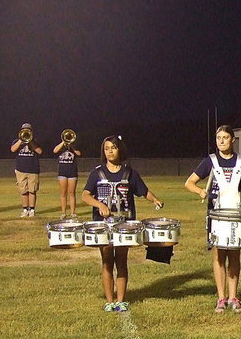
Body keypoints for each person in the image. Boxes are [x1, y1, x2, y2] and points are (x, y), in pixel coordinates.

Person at [184, 126, 241, 313]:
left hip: (236, 213)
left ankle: (234, 296)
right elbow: (189, 182)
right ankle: (221, 298)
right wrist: (200, 191)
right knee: (218, 254)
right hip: (216, 214)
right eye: (219, 138)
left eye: (225, 137)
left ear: (232, 140)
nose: (221, 141)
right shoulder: (210, 161)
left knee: (234, 254)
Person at [82, 135, 163, 312]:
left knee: (121, 261)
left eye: (113, 147)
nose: (110, 151)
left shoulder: (129, 173)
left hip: (124, 225)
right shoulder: (97, 173)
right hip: (103, 225)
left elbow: (143, 191)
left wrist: (155, 200)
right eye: (107, 148)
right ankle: (109, 301)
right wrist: (99, 204)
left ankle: (121, 300)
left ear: (120, 149)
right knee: (106, 262)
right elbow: (85, 195)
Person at [10, 123, 42, 217]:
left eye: (28, 130)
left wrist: (30, 141)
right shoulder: (16, 141)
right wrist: (21, 140)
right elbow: (12, 149)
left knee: (32, 190)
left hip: (33, 169)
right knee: (23, 191)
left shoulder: (35, 141)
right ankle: (25, 209)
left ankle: (32, 210)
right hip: (21, 169)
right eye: (24, 130)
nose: (26, 131)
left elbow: (39, 151)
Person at [53, 132, 82, 219]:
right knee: (63, 193)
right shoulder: (61, 147)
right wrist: (63, 143)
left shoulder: (74, 147)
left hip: (72, 172)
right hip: (62, 172)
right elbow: (55, 151)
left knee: (72, 193)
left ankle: (73, 213)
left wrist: (71, 146)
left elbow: (79, 154)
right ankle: (63, 213)